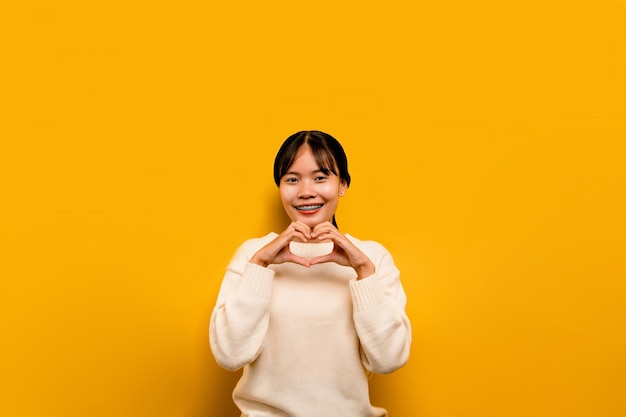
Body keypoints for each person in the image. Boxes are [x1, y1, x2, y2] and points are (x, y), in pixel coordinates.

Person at [209, 130, 411, 417]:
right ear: (280, 187)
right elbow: (230, 355)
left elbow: (388, 360)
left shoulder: (372, 258)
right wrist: (259, 266)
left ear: (342, 185)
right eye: (292, 179)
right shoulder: (252, 254)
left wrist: (364, 272)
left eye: (320, 177)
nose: (306, 191)